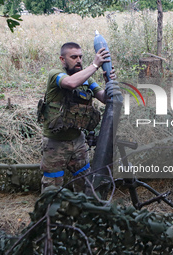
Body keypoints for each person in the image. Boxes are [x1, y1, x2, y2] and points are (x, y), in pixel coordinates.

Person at [39, 42, 117, 193]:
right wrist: (94, 65)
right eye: (73, 57)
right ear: (63, 59)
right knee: (52, 188)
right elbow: (71, 83)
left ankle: (81, 213)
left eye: (80, 57)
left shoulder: (87, 79)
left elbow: (105, 98)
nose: (78, 60)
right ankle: (49, 215)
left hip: (78, 142)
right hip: (55, 144)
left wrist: (108, 82)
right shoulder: (56, 75)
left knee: (85, 182)